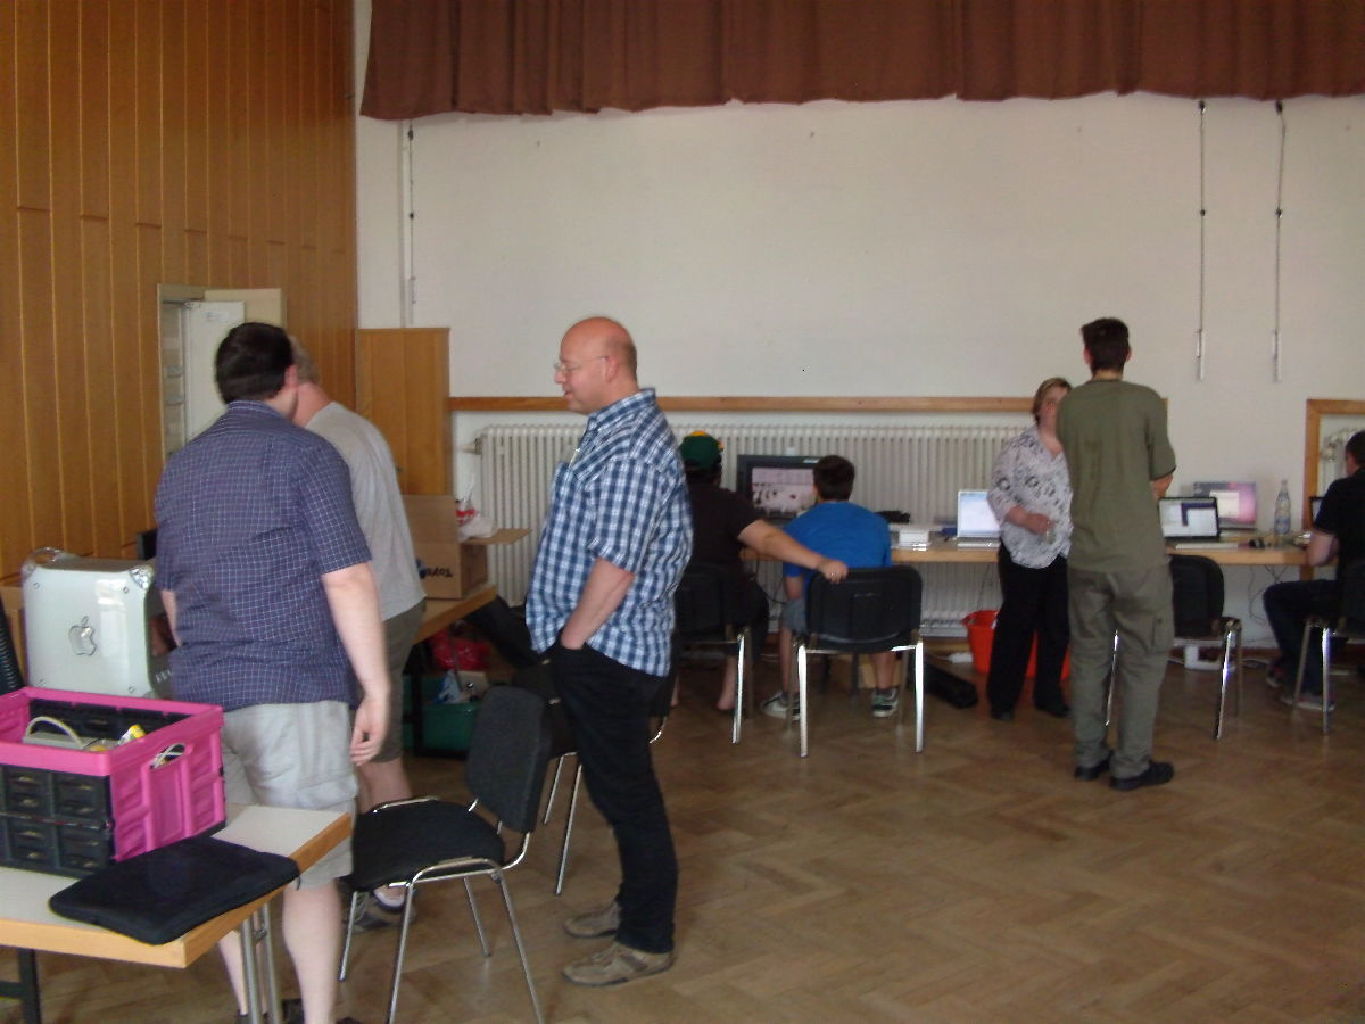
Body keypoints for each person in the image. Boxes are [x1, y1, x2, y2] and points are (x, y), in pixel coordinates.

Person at [155, 322, 388, 1024]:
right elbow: (347, 578)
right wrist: (376, 688)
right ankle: (316, 1018)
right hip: (293, 690)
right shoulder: (307, 455)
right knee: (308, 871)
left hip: (202, 701)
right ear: (290, 378)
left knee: (231, 872)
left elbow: (173, 597)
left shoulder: (182, 466)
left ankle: (255, 1012)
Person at [526, 316, 691, 986]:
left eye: (568, 366)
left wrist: (571, 641)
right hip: (602, 646)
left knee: (627, 796)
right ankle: (632, 904)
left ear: (609, 365)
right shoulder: (614, 431)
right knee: (617, 789)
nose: (559, 378)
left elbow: (617, 565)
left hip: (605, 649)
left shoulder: (631, 451)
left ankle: (646, 939)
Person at [290, 342, 426, 930]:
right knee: (370, 752)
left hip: (375, 612)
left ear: (291, 379)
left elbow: (334, 558)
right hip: (394, 602)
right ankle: (384, 868)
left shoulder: (324, 442)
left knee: (374, 756)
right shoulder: (351, 425)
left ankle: (397, 885)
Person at [1056, 317, 1176, 792]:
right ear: (1128, 354)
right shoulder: (1146, 401)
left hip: (1086, 552)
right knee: (1142, 661)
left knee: (1088, 659)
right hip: (1138, 557)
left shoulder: (1070, 406)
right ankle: (1130, 765)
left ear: (1087, 355)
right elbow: (1162, 472)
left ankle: (1088, 757)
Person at [678, 431, 848, 711]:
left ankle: (668, 693)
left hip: (669, 603)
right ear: (718, 472)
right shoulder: (730, 503)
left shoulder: (657, 502)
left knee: (665, 619)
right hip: (723, 606)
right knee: (755, 606)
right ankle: (730, 693)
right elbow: (768, 540)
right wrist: (820, 562)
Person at [761, 455, 896, 720]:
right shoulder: (878, 524)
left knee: (788, 619)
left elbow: (794, 593)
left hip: (822, 619)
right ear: (851, 487)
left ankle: (791, 698)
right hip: (869, 617)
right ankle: (883, 695)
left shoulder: (796, 527)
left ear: (815, 488)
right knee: (883, 609)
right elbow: (885, 580)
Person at [985, 377, 1073, 721]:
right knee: (1017, 624)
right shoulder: (1017, 448)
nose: (1058, 409)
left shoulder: (1081, 449)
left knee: (1057, 625)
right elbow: (997, 494)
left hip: (1066, 549)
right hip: (1023, 548)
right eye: (1051, 401)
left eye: (1065, 402)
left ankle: (1048, 694)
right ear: (1039, 408)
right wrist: (1025, 518)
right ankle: (1003, 698)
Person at [1263, 430, 1365, 708]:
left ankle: (1310, 684)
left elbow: (1315, 558)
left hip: (1354, 600)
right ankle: (1294, 668)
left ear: (1351, 459)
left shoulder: (1343, 490)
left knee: (1278, 597)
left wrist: (1334, 544)